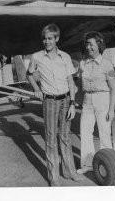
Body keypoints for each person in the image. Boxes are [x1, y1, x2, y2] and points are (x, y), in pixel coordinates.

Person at [27, 24, 85, 186]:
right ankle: (54, 177)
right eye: (44, 39)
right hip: (50, 101)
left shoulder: (65, 57)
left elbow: (70, 81)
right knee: (51, 139)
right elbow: (29, 74)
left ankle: (69, 172)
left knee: (65, 137)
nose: (47, 42)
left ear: (57, 39)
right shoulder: (37, 56)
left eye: (50, 38)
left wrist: (73, 104)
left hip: (66, 100)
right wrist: (36, 89)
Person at [77, 31, 115, 174]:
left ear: (99, 45)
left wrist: (111, 110)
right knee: (85, 132)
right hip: (87, 101)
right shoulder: (82, 64)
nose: (88, 47)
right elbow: (79, 85)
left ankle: (110, 166)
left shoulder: (107, 65)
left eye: (91, 44)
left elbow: (113, 89)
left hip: (103, 100)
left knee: (104, 133)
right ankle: (87, 165)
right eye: (87, 44)